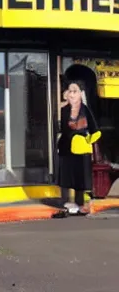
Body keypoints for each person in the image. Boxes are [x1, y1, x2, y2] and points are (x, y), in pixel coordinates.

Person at [55, 80, 100, 217]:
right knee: (66, 177)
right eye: (70, 91)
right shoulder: (64, 110)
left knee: (80, 178)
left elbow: (95, 131)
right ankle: (66, 203)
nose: (72, 94)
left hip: (81, 150)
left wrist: (88, 141)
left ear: (81, 94)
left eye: (75, 91)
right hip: (66, 148)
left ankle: (80, 204)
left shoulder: (85, 110)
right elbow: (63, 128)